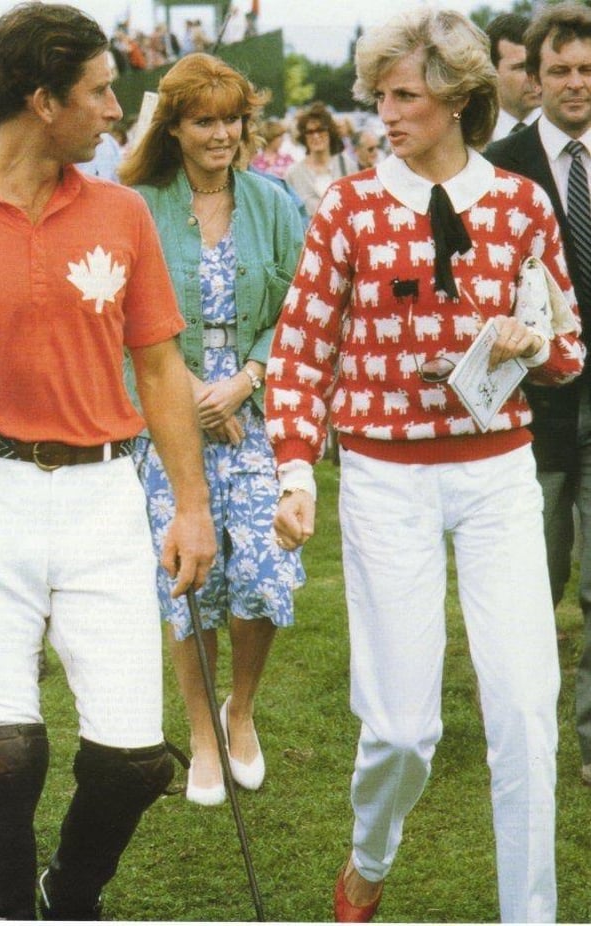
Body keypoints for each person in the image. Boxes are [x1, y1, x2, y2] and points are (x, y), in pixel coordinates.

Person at [265, 7, 585, 923]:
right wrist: (296, 472)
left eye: (405, 95)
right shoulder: (349, 206)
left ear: (456, 99)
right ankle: (369, 857)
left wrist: (532, 341)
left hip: (499, 474)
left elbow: (568, 349)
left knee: (525, 714)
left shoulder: (521, 205)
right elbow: (300, 354)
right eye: (380, 95)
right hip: (384, 478)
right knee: (403, 729)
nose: (387, 113)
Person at [0, 3, 216, 920]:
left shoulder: (121, 211)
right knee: (3, 756)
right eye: (100, 91)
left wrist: (192, 507)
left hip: (105, 495)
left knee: (134, 760)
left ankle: (70, 895)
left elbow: (161, 367)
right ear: (42, 99)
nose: (115, 111)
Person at [119, 53, 306, 806]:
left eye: (232, 119)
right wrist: (189, 393)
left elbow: (299, 307)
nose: (222, 133)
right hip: (165, 407)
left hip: (252, 408)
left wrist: (245, 380)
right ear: (173, 127)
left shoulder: (272, 201)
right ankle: (201, 731)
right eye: (205, 120)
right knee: (189, 575)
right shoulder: (139, 205)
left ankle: (241, 710)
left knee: (261, 565)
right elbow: (119, 318)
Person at [485, 0, 591, 789]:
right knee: (531, 580)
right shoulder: (500, 166)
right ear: (534, 76)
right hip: (535, 408)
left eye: (587, 69)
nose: (576, 82)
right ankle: (519, 724)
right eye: (560, 69)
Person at [285, 101, 357, 217]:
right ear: (304, 136)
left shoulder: (347, 165)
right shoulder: (293, 174)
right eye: (310, 132)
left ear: (330, 132)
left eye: (320, 130)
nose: (316, 136)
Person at [486, 12, 542, 140]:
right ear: (491, 72)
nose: (535, 77)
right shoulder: (468, 135)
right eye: (521, 67)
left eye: (537, 65)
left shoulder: (567, 129)